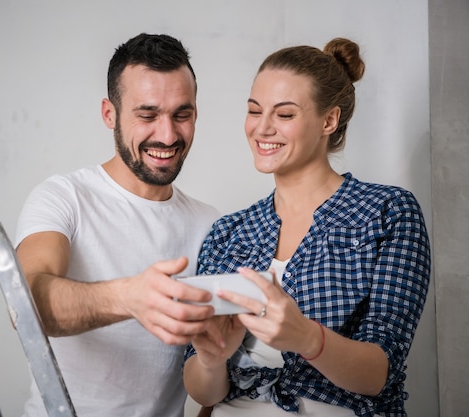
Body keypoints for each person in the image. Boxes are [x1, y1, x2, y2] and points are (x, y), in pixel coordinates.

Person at [183, 38, 431, 417]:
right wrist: (212, 359)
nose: (262, 128)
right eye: (254, 111)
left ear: (328, 120)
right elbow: (204, 393)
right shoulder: (228, 232)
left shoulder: (387, 212)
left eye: (284, 115)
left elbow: (380, 372)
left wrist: (304, 336)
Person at [15, 33, 222, 417]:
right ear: (109, 113)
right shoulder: (63, 198)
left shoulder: (212, 225)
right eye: (147, 115)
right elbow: (22, 304)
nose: (167, 135)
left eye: (182, 114)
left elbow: (215, 363)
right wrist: (129, 298)